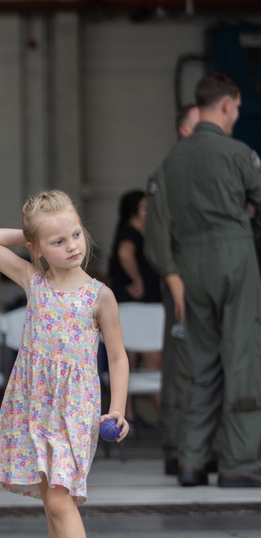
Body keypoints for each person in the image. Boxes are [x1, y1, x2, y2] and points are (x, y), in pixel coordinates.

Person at [0, 190, 130, 538]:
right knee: (51, 503)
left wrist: (116, 410)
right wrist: (29, 236)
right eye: (58, 241)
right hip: (33, 407)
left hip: (75, 409)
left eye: (76, 234)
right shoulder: (32, 280)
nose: (72, 246)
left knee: (61, 500)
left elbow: (117, 358)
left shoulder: (99, 296)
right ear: (36, 248)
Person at [143, 72, 261, 488]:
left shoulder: (170, 161)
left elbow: (158, 225)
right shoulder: (238, 153)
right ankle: (239, 461)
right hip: (234, 257)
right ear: (227, 104)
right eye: (238, 106)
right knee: (242, 360)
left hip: (191, 266)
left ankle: (192, 461)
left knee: (202, 365)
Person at [144, 103, 206, 476]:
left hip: (210, 285)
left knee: (215, 368)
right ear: (185, 130)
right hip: (181, 284)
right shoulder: (166, 174)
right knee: (182, 367)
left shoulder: (215, 173)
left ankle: (208, 448)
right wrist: (172, 276)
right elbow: (157, 236)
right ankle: (178, 448)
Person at [107, 189, 161, 422]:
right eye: (144, 208)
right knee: (150, 360)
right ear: (133, 211)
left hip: (133, 307)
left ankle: (127, 417)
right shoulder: (131, 233)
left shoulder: (134, 232)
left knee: (130, 359)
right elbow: (125, 253)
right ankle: (166, 420)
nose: (149, 212)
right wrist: (138, 279)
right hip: (138, 306)